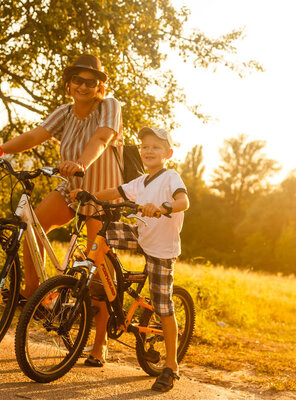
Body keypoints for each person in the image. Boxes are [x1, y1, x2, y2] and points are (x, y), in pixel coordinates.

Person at [0, 54, 123, 301]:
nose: (84, 86)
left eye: (91, 82)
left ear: (100, 87)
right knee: (32, 227)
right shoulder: (64, 113)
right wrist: (0, 149)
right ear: (69, 83)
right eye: (78, 80)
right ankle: (36, 296)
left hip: (102, 197)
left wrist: (80, 163)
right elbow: (35, 136)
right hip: (72, 190)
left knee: (97, 273)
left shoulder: (109, 106)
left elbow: (102, 138)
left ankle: (100, 340)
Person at [71, 126, 189, 392]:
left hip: (161, 250)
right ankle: (109, 288)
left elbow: (184, 201)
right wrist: (88, 196)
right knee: (103, 233)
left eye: (156, 147)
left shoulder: (170, 177)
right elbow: (115, 192)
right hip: (141, 233)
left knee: (162, 305)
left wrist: (163, 208)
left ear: (168, 153)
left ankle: (171, 366)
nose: (148, 151)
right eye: (145, 146)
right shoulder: (141, 181)